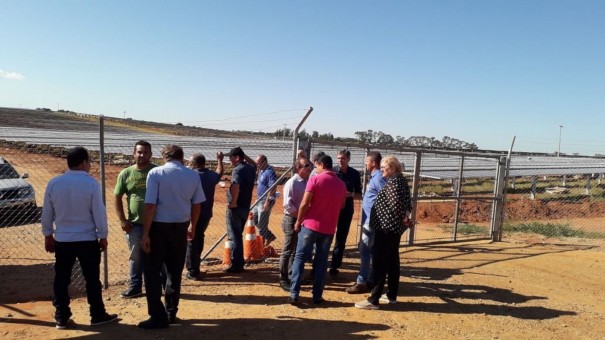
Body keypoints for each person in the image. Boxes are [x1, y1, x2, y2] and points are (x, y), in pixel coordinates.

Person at [41, 146, 117, 329]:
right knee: (91, 278)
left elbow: (47, 213)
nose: (90, 165)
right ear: (84, 162)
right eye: (89, 161)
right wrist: (103, 235)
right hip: (87, 239)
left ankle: (61, 316)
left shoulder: (54, 183)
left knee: (62, 278)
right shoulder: (91, 184)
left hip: (63, 240)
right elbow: (99, 213)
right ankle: (97, 314)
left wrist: (48, 235)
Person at [138, 145, 205, 329]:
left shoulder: (156, 173)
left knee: (152, 272)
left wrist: (145, 234)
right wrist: (193, 225)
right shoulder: (192, 175)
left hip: (159, 228)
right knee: (174, 272)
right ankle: (171, 312)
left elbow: (150, 205)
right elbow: (197, 205)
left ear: (164, 156)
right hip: (180, 228)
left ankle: (157, 316)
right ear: (182, 157)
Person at [355, 156, 413, 310]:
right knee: (392, 261)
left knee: (380, 262)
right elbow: (407, 204)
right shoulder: (401, 181)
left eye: (383, 168)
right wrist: (405, 219)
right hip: (393, 229)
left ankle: (373, 299)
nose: (381, 171)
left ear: (392, 168)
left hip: (386, 228)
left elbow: (396, 204)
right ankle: (391, 295)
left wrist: (404, 219)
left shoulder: (393, 183)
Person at [288, 154, 347, 305]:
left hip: (310, 226)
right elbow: (342, 206)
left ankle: (294, 293)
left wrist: (298, 221)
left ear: (321, 165)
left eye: (315, 166)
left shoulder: (315, 179)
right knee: (321, 262)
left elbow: (304, 203)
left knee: (300, 258)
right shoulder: (341, 184)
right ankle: (317, 295)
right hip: (328, 228)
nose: (314, 169)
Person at [114, 140, 156, 299]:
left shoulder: (156, 172)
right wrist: (122, 220)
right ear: (134, 153)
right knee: (135, 257)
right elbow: (117, 197)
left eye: (146, 152)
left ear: (151, 155)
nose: (142, 155)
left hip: (156, 224)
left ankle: (157, 286)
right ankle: (135, 286)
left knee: (156, 256)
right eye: (139, 152)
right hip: (135, 225)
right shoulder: (126, 173)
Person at [346, 151, 385, 294]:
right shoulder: (375, 177)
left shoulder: (378, 178)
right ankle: (371, 279)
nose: (365, 164)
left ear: (374, 163)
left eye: (367, 161)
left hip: (372, 221)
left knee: (365, 249)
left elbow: (384, 199)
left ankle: (363, 281)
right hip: (370, 219)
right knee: (368, 250)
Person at [185, 151, 224, 280]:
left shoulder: (190, 175)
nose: (188, 164)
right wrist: (219, 159)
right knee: (198, 239)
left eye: (190, 163)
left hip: (191, 214)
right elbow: (219, 172)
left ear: (195, 164)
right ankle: (195, 266)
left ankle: (192, 271)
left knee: (191, 240)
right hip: (206, 214)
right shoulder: (211, 176)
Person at [278, 157, 313, 292]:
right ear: (298, 168)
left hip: (300, 220)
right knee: (287, 250)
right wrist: (299, 217)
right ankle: (283, 278)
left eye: (309, 165)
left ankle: (293, 275)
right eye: (306, 165)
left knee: (296, 250)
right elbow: (287, 205)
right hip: (291, 220)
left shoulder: (306, 182)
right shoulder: (292, 183)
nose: (309, 167)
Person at [330, 149, 362, 278]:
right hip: (331, 209)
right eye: (338, 158)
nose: (340, 161)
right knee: (326, 237)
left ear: (348, 159)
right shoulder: (332, 172)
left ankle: (335, 266)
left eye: (343, 158)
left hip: (346, 210)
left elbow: (359, 194)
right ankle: (320, 264)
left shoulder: (354, 174)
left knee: (341, 239)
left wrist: (350, 194)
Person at [224, 146, 256, 273]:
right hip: (245, 207)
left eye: (231, 157)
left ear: (236, 158)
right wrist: (243, 155)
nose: (229, 160)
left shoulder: (238, 170)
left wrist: (233, 203)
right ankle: (239, 262)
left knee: (234, 235)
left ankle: (237, 264)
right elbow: (254, 163)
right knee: (238, 234)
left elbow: (236, 186)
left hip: (236, 207)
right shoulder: (250, 168)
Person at [253, 154, 278, 246]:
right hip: (258, 199)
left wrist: (267, 202)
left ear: (264, 161)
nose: (257, 165)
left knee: (262, 225)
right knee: (254, 219)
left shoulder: (270, 172)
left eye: (258, 163)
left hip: (265, 200)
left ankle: (261, 246)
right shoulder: (261, 171)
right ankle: (270, 236)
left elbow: (273, 187)